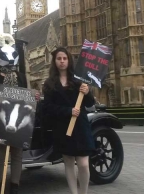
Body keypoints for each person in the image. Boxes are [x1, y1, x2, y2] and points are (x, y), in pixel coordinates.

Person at [42, 47, 95, 194]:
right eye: (59, 59)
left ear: (69, 60)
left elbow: (89, 103)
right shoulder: (49, 83)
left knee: (83, 164)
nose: (62, 61)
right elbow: (48, 107)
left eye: (64, 58)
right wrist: (68, 111)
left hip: (80, 126)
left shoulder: (79, 80)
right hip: (63, 127)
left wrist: (88, 92)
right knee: (69, 163)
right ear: (55, 61)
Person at [0, 45, 37, 194]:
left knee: (17, 154)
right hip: (1, 119)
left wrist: (34, 98)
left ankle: (15, 186)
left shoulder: (20, 76)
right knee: (0, 154)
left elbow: (26, 96)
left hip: (18, 117)